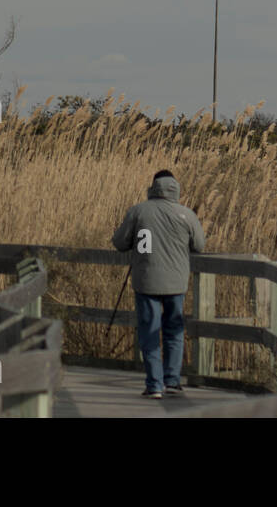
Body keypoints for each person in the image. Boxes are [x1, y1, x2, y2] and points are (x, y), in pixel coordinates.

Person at [111, 169, 206, 399]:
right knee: (174, 330)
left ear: (153, 187)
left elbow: (120, 242)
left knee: (149, 331)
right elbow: (199, 245)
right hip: (176, 283)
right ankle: (172, 380)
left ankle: (155, 384)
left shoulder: (138, 211)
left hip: (146, 282)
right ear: (175, 188)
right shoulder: (186, 214)